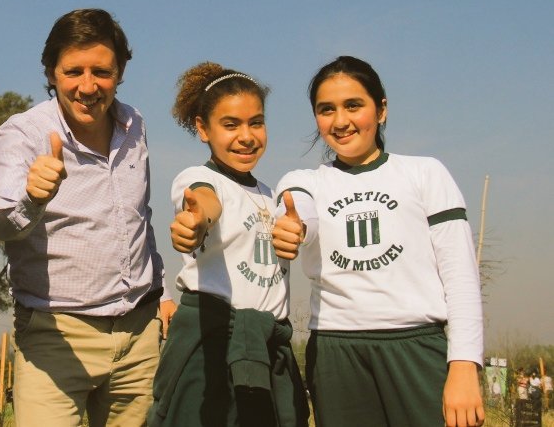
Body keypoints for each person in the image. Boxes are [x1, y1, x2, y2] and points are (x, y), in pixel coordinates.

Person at [0, 8, 175, 426]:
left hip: (138, 336)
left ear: (120, 72)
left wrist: (159, 293)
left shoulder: (135, 125)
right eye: (73, 71)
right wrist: (32, 197)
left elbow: (140, 217)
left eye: (101, 72)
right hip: (55, 337)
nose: (87, 86)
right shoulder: (21, 134)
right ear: (51, 73)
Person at [271, 55, 484, 427]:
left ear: (381, 109)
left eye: (354, 105)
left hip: (417, 348)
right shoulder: (303, 181)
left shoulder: (425, 173)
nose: (340, 121)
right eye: (326, 110)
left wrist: (465, 364)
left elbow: (462, 278)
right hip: (337, 354)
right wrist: (294, 226)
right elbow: (299, 210)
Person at [149, 63, 308, 427]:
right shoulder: (198, 178)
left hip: (267, 345)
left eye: (256, 122)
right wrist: (196, 222)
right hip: (211, 342)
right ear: (203, 129)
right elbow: (204, 204)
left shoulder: (274, 197)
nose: (247, 136)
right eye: (230, 125)